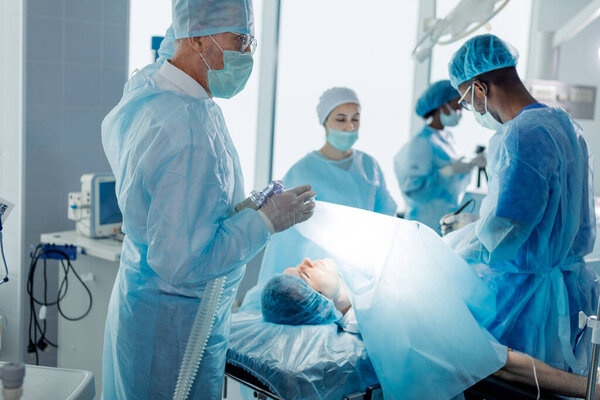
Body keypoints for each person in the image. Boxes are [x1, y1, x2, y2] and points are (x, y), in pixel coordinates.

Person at [100, 1, 316, 398]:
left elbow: (188, 211)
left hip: (148, 308)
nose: (248, 53)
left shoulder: (160, 94)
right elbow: (182, 261)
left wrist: (246, 207)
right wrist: (265, 221)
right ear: (197, 37)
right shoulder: (184, 125)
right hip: (174, 324)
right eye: (240, 39)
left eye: (251, 40)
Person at [441, 33, 597, 374]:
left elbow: (503, 234)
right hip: (570, 291)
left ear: (480, 88)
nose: (471, 110)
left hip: (527, 300)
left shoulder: (520, 134)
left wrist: (447, 251)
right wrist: (472, 226)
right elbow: (557, 219)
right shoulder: (566, 125)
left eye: (467, 101)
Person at [262, 258, 597, 399]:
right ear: (318, 301)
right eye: (303, 274)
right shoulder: (381, 319)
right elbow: (502, 364)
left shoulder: (369, 298)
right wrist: (589, 389)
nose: (308, 262)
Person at [283, 87, 397, 216]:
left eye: (355, 119)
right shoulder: (302, 171)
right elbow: (288, 223)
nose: (350, 127)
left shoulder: (369, 164)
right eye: (341, 120)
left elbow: (387, 212)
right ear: (324, 122)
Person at [394, 80, 484, 232]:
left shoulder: (447, 138)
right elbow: (414, 190)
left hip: (447, 220)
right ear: (442, 106)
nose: (460, 112)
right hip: (425, 223)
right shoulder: (421, 144)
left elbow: (453, 181)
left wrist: (469, 163)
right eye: (456, 107)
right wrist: (448, 171)